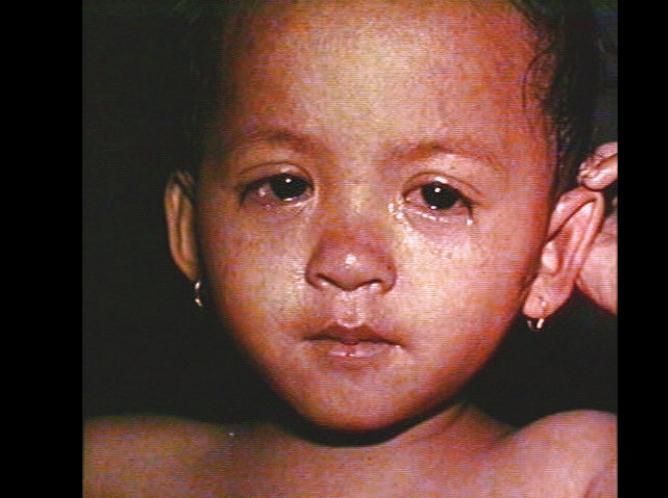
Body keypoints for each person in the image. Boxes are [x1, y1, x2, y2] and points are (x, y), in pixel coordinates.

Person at [84, 0, 617, 496]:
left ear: (553, 251)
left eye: (438, 196)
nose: (347, 262)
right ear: (191, 230)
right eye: (285, 187)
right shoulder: (113, 469)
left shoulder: (577, 472)